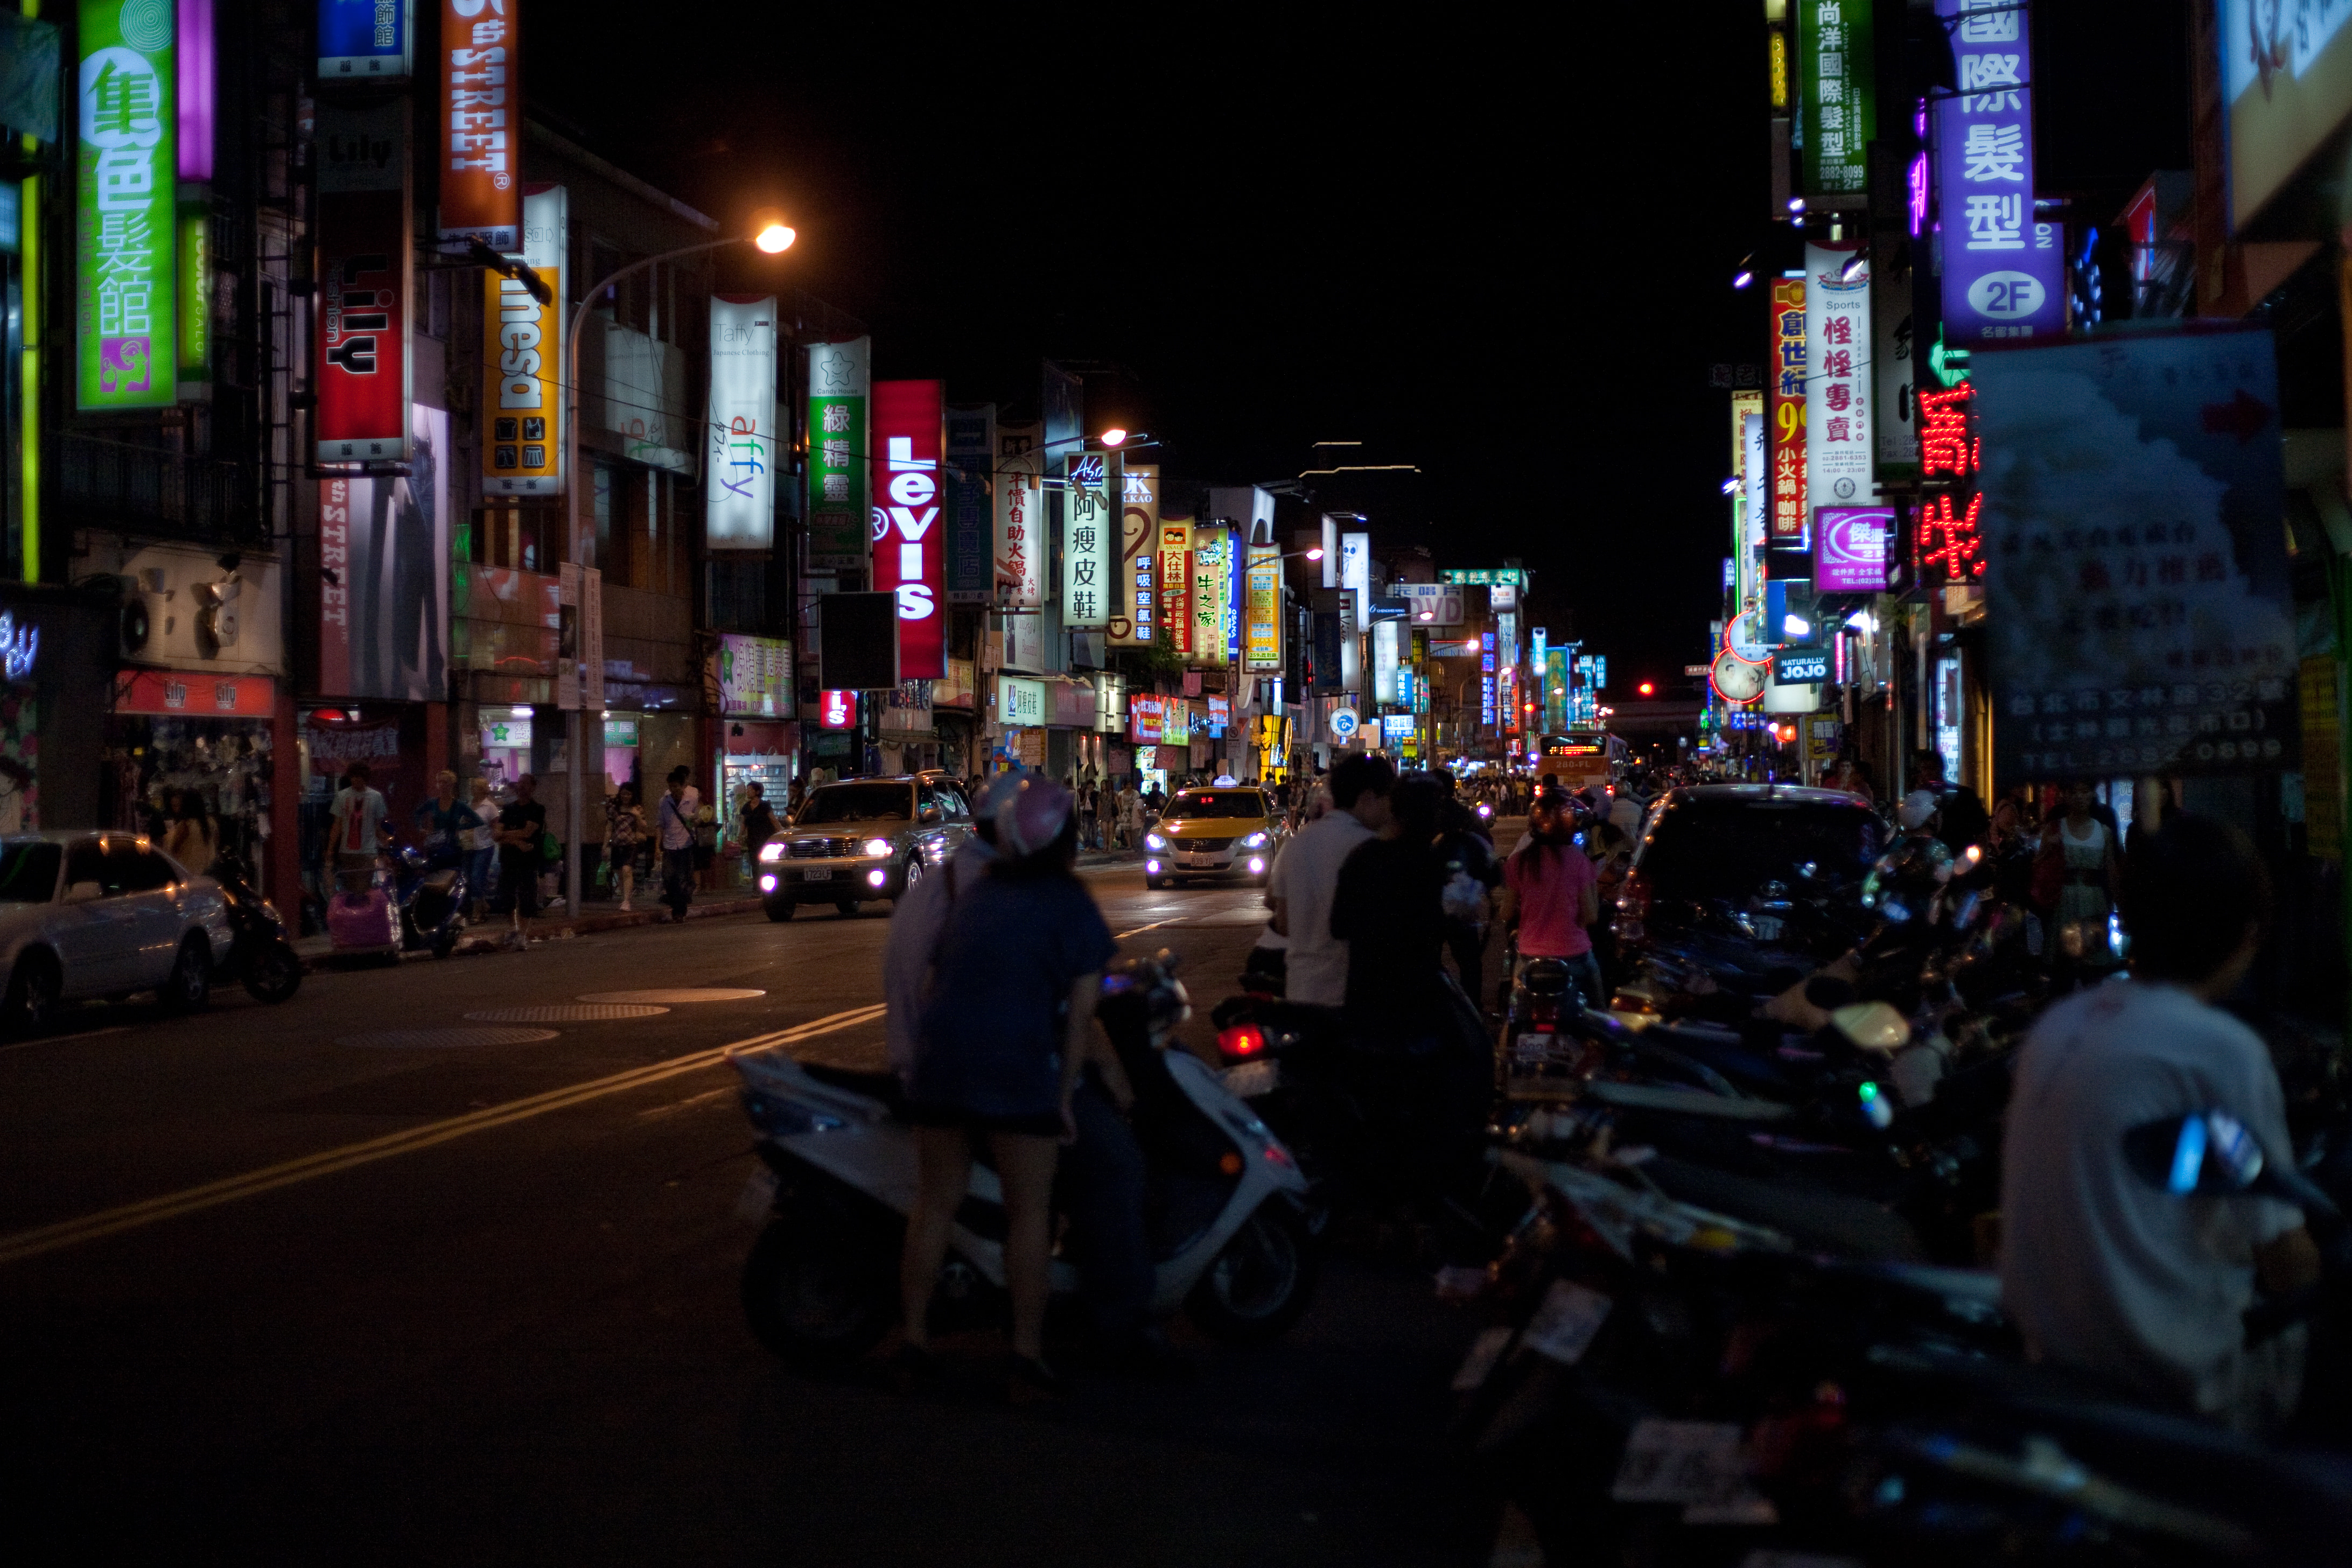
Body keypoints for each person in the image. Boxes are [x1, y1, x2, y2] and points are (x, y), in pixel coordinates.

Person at [2001, 815, 2319, 1434]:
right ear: (2247, 933)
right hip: (2178, 1384)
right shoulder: (2218, 1048)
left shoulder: (2058, 1026)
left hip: (2052, 1367)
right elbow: (2285, 1258)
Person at [899, 776, 1116, 1396]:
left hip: (941, 1061)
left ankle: (913, 1340)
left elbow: (931, 984)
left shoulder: (977, 892)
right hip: (1017, 1067)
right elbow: (1078, 1019)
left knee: (934, 1202)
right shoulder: (1069, 902)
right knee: (1031, 1213)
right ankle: (1025, 1350)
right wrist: (1066, 1097)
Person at [1265, 753, 1393, 1009]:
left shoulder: (1297, 844)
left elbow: (1282, 922)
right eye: (1389, 799)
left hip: (1302, 992)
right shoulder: (1373, 848)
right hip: (1357, 996)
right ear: (1369, 798)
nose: (1391, 809)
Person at [1496, 788, 1604, 1010]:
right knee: (1599, 1011)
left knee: (1516, 1015)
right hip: (1575, 956)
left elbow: (1505, 913)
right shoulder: (1579, 861)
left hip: (1530, 957)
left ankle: (1505, 1044)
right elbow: (1591, 916)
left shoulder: (1518, 862)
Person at [2039, 779, 2119, 955]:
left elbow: (2111, 869)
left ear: (2092, 794)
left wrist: (2117, 904)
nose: (2079, 797)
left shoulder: (2104, 831)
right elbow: (2039, 865)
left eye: (2084, 792)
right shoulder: (2055, 828)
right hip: (2062, 899)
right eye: (2073, 792)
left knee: (2092, 957)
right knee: (2064, 959)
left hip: (2094, 899)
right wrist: (2049, 847)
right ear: (2066, 795)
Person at [493, 773, 547, 933]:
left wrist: (507, 835)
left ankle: (522, 934)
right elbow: (497, 835)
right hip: (508, 859)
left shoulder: (537, 809)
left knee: (527, 898)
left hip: (528, 860)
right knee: (507, 896)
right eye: (519, 783)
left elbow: (527, 832)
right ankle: (513, 929)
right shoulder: (508, 809)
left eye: (525, 783)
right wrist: (517, 841)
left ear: (533, 787)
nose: (521, 786)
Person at [326, 763, 390, 892]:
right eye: (354, 777)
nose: (356, 780)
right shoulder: (342, 796)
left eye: (359, 777)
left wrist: (385, 844)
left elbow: (377, 826)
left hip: (368, 851)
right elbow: (337, 825)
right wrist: (330, 850)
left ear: (365, 778)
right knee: (350, 889)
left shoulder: (376, 797)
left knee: (363, 888)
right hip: (347, 851)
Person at [411, 769, 482, 871]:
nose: (441, 785)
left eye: (445, 782)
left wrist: (460, 827)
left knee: (452, 875)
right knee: (435, 875)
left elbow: (479, 821)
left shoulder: (459, 805)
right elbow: (418, 813)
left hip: (453, 846)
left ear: (451, 784)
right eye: (439, 782)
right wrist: (420, 828)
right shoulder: (433, 802)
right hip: (435, 845)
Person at [655, 765, 699, 922]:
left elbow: (699, 819)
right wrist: (657, 846)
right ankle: (677, 905)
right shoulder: (664, 802)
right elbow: (660, 824)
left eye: (675, 786)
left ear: (682, 786)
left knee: (682, 879)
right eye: (670, 786)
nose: (673, 789)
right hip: (669, 845)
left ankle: (679, 912)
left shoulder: (691, 800)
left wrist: (694, 819)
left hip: (685, 845)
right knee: (668, 877)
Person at [606, 783, 646, 912]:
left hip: (631, 844)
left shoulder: (637, 809)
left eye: (628, 794)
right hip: (617, 844)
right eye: (623, 793)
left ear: (632, 795)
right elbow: (609, 828)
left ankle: (626, 901)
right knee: (620, 872)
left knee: (627, 870)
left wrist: (637, 816)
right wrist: (605, 845)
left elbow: (644, 827)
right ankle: (624, 897)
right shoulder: (614, 808)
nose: (626, 796)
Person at [466, 778, 499, 920]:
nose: (472, 790)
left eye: (475, 787)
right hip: (469, 846)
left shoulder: (489, 807)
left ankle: (477, 911)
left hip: (484, 846)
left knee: (477, 877)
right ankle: (483, 903)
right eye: (472, 787)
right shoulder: (469, 805)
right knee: (468, 878)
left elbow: (495, 827)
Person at [163, 788, 216, 873]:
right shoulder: (211, 822)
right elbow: (216, 843)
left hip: (190, 872)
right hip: (208, 871)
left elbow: (174, 849)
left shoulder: (186, 825)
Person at [738, 781, 780, 876]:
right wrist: (740, 835)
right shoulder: (746, 807)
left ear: (757, 792)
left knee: (766, 861)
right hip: (752, 839)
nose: (748, 792)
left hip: (765, 838)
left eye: (750, 790)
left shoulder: (765, 805)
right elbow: (744, 823)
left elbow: (773, 820)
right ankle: (756, 885)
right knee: (754, 862)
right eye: (747, 790)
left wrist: (780, 833)